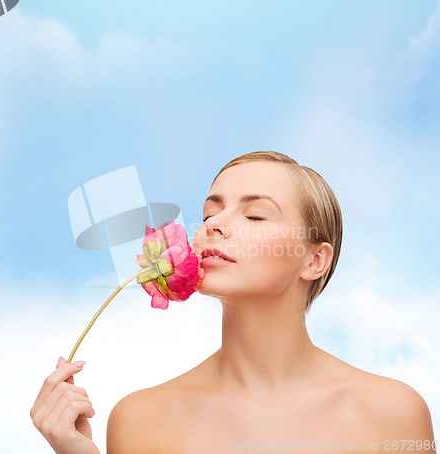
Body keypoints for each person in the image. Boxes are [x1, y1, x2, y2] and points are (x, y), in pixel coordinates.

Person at [30, 151, 436, 453]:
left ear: (315, 260)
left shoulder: (390, 413)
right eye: (209, 214)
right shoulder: (140, 420)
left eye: (256, 216)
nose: (214, 226)